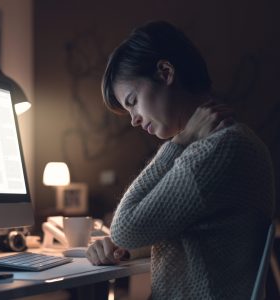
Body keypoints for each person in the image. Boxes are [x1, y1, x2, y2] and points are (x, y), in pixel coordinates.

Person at [86, 20, 275, 299]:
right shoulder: (230, 141)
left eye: (133, 101)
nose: (134, 120)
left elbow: (125, 228)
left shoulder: (218, 149)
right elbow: (184, 231)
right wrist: (118, 246)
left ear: (165, 72)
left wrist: (177, 143)